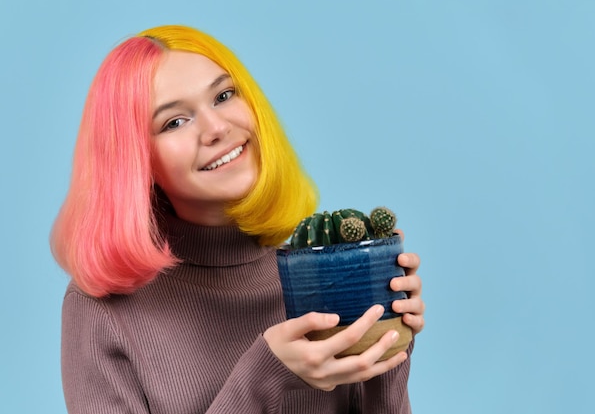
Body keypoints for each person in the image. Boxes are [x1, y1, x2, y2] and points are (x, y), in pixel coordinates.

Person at [50, 24, 426, 414]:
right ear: (136, 161)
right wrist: (266, 374)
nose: (216, 129)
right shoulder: (102, 312)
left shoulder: (312, 272)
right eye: (174, 122)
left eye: (224, 95)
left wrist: (387, 343)